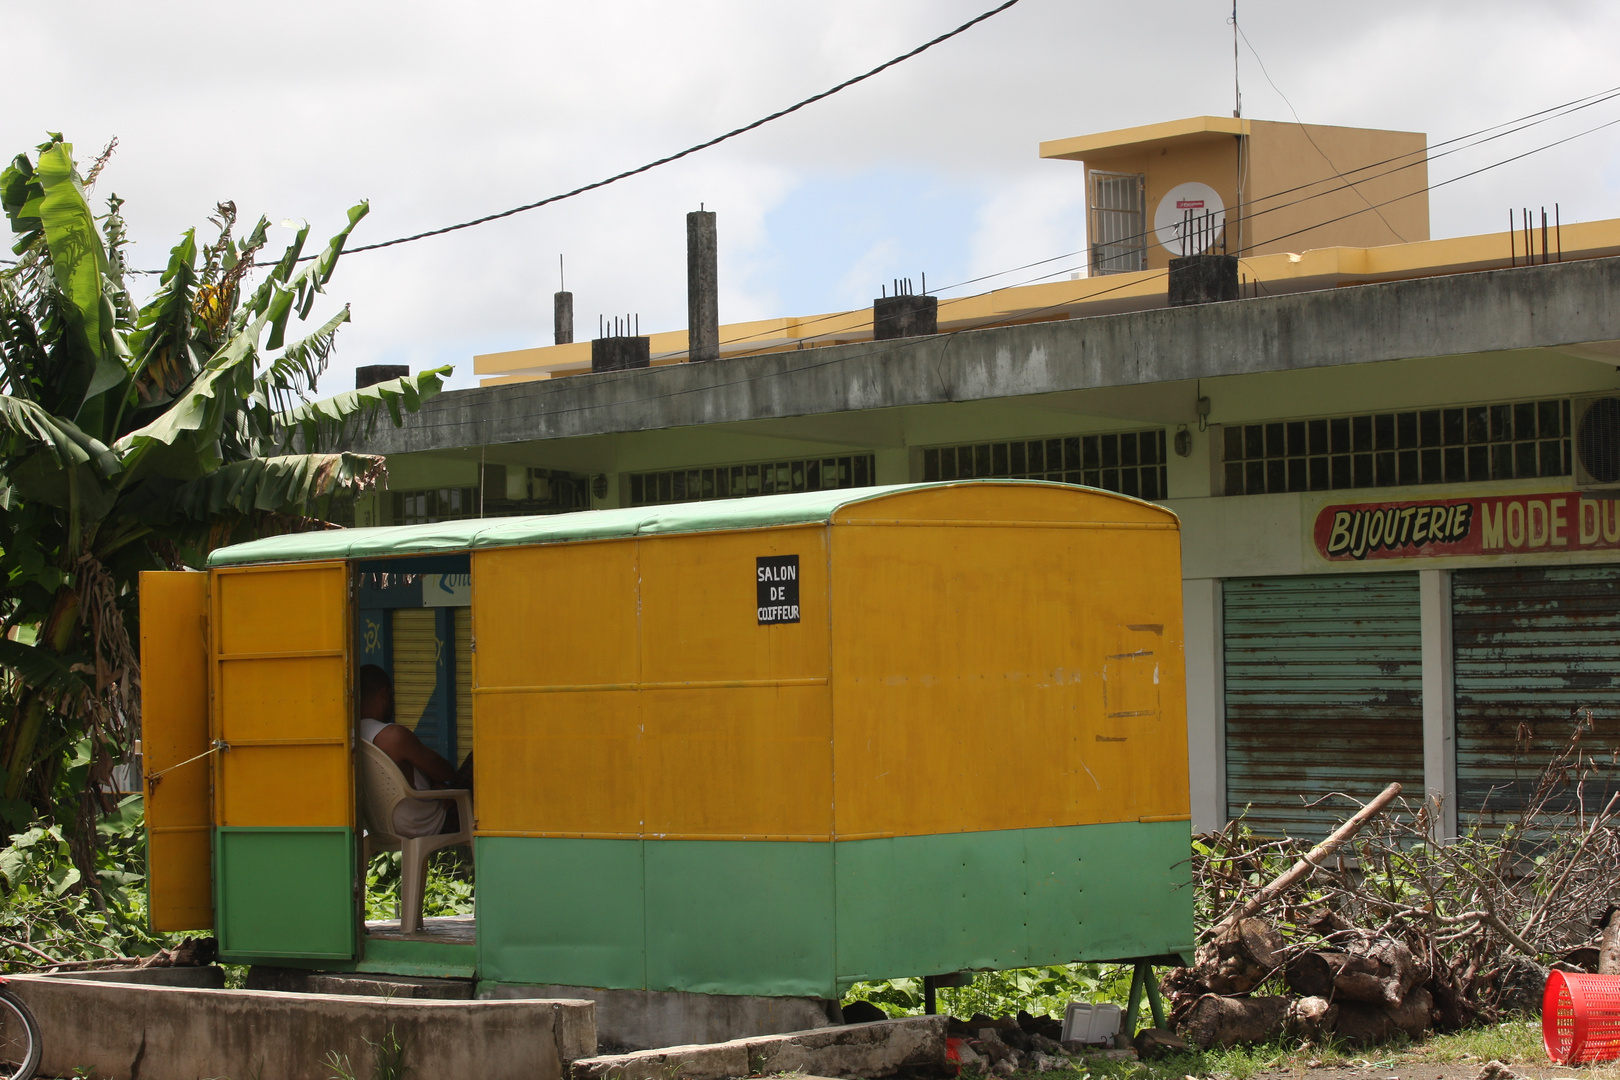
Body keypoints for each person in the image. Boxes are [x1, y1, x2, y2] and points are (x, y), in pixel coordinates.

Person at [357, 664, 471, 838]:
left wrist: (432, 782)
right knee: (479, 758)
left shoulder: (349, 736)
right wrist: (438, 781)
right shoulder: (394, 736)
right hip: (428, 824)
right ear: (384, 694)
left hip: (379, 828)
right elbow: (446, 772)